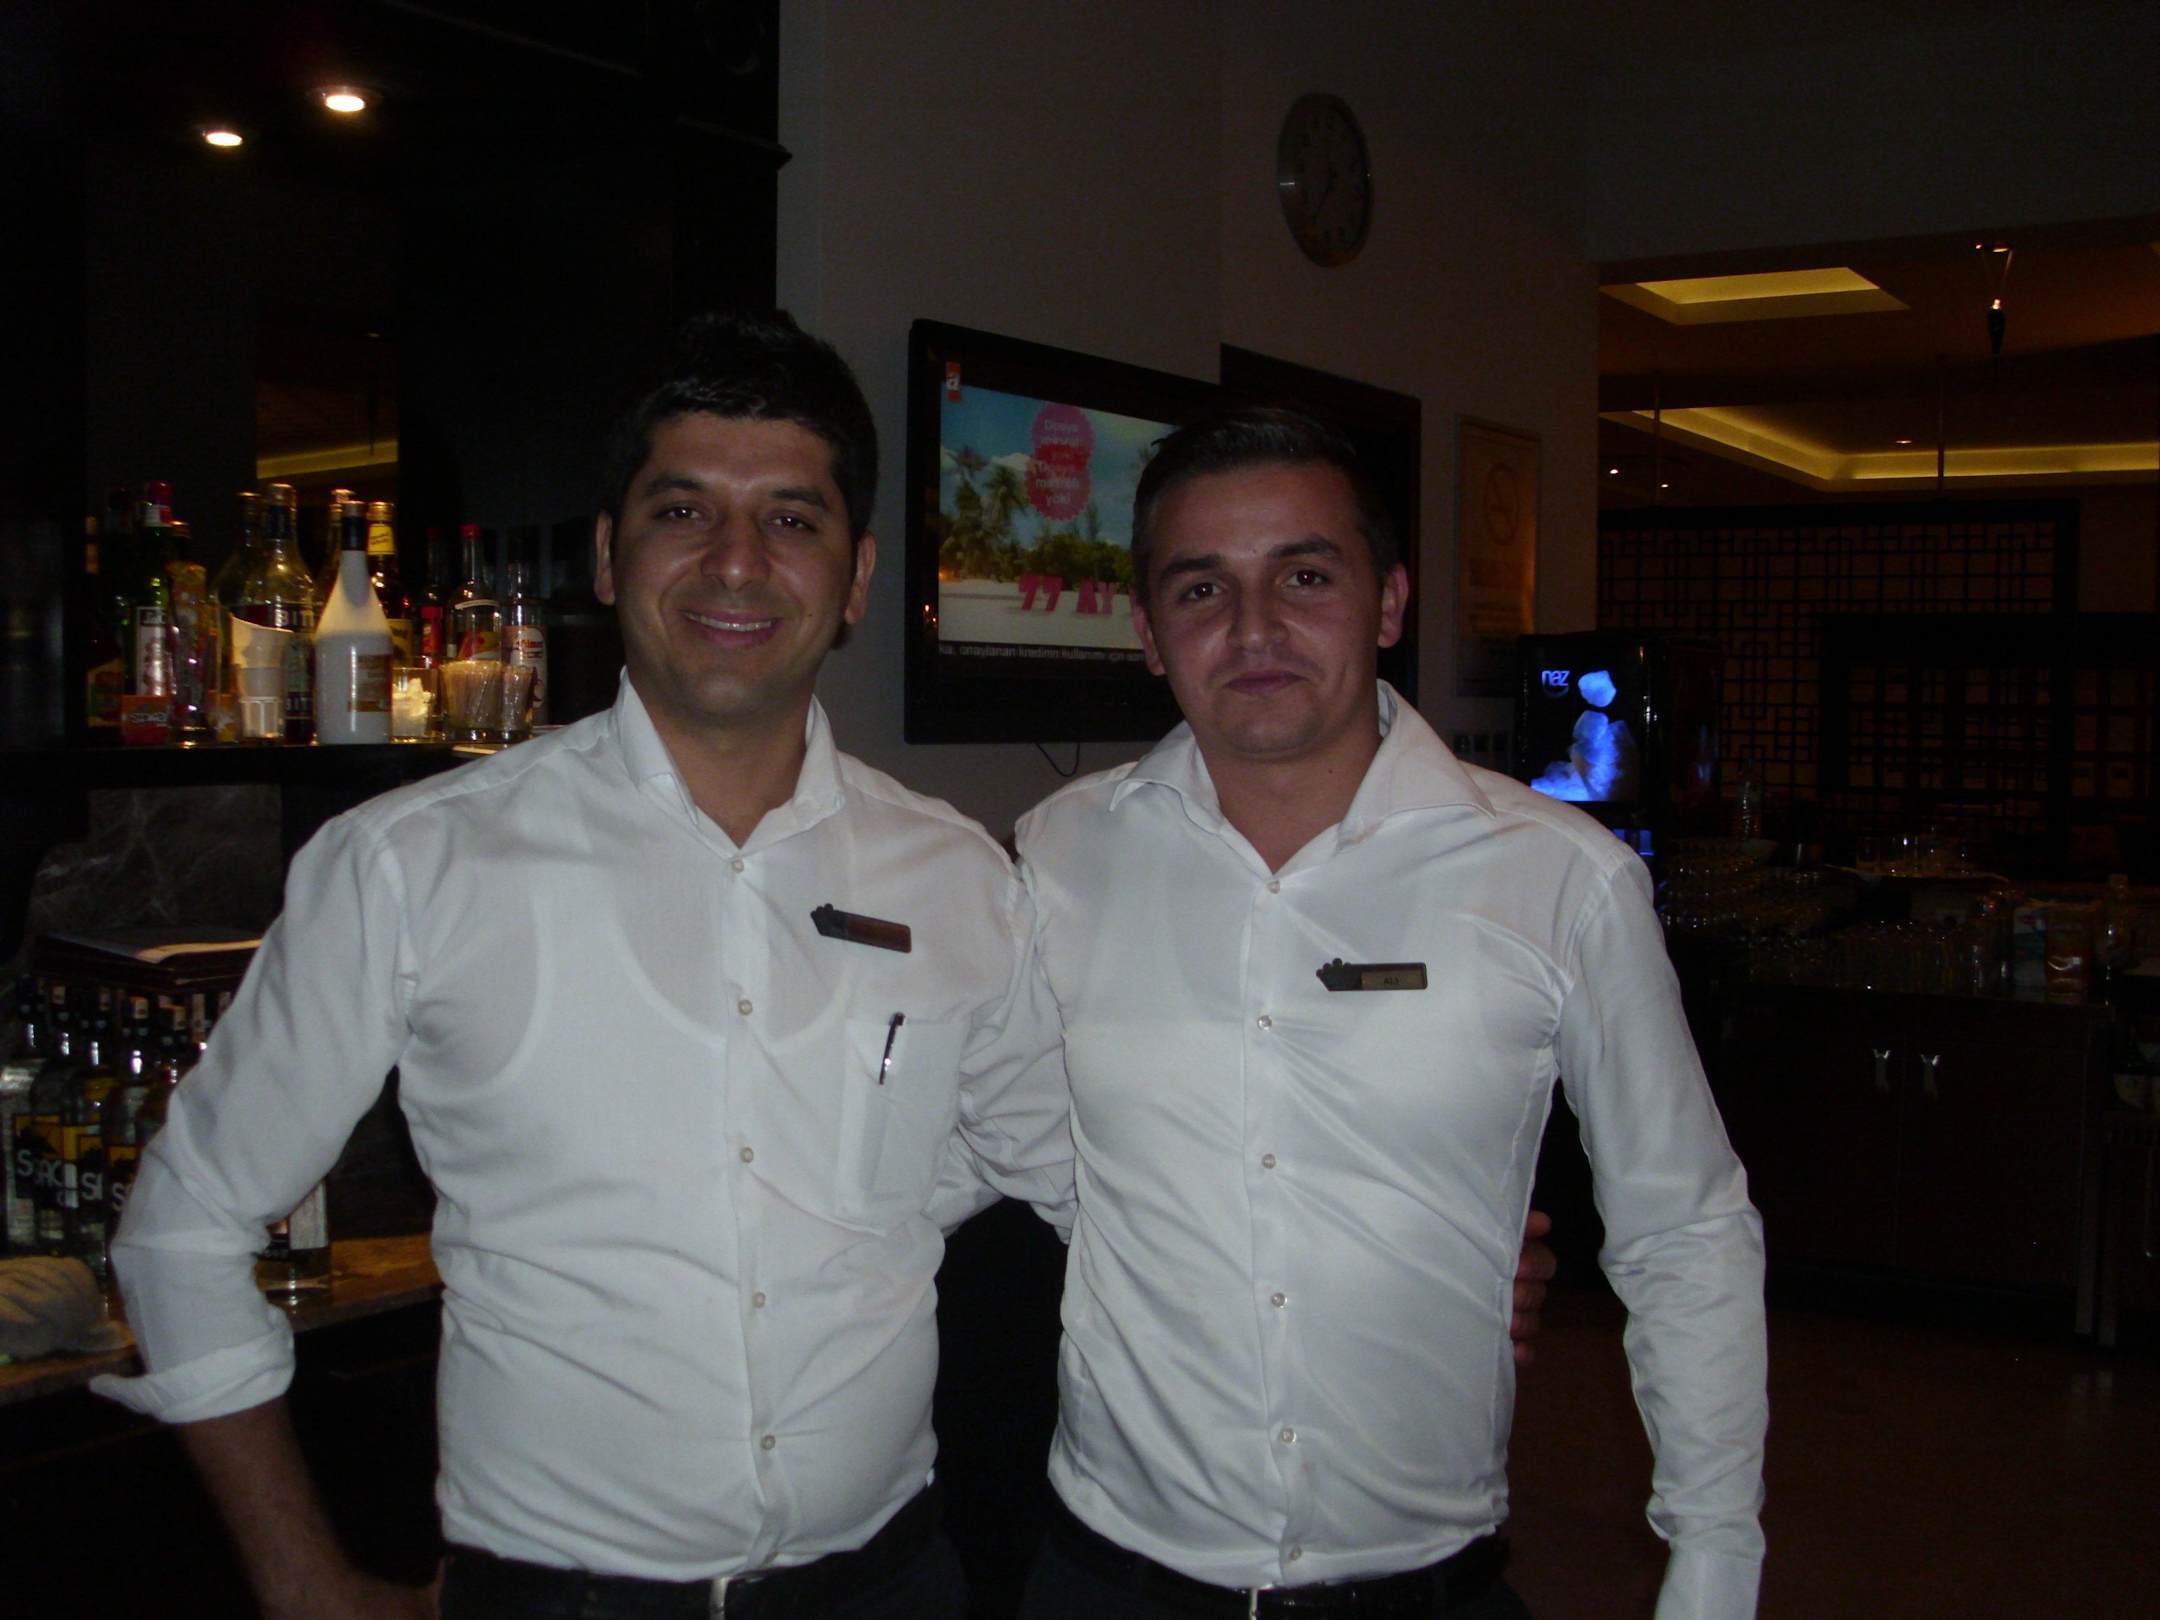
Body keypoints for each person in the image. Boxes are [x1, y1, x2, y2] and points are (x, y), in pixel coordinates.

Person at [95, 311, 1078, 1620]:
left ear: (855, 578)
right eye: (684, 510)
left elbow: (1058, 1166)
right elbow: (184, 1225)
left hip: (891, 1584)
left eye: (791, 518)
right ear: (610, 557)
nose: (737, 561)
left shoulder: (956, 878)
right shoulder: (415, 864)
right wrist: (302, 1583)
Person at [1013, 408, 1767, 1619]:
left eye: (1305, 576)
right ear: (1149, 633)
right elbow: (996, 1141)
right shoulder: (1056, 855)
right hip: (1107, 1576)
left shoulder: (1558, 877)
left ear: (1390, 602)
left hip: (1425, 1585)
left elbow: (1683, 1226)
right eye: (1202, 588)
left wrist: (1715, 1562)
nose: (1254, 627)